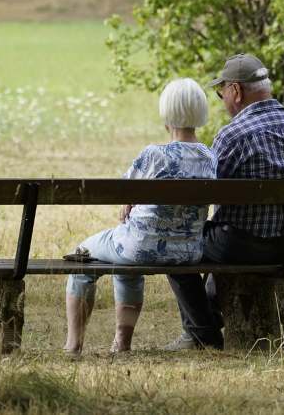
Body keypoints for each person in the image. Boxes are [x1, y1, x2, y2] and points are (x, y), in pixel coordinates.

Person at [164, 53, 284, 351]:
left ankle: (202, 334)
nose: (223, 101)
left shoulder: (232, 135)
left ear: (235, 90)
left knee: (174, 244)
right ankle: (204, 325)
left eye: (222, 94)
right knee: (218, 236)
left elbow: (205, 193)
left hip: (238, 245)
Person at [64, 78, 217, 355]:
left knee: (82, 256)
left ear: (166, 113)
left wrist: (129, 202)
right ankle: (121, 343)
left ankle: (73, 345)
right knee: (125, 258)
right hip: (187, 252)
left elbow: (123, 192)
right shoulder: (209, 157)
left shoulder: (154, 154)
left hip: (140, 247)